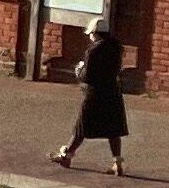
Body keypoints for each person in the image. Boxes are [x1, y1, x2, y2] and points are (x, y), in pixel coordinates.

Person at [51, 21, 129, 176]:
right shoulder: (116, 48)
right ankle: (117, 163)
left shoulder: (92, 51)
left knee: (82, 126)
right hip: (112, 92)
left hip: (94, 93)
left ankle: (66, 156)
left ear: (95, 33)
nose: (90, 37)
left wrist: (79, 70)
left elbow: (87, 76)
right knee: (113, 129)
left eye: (91, 34)